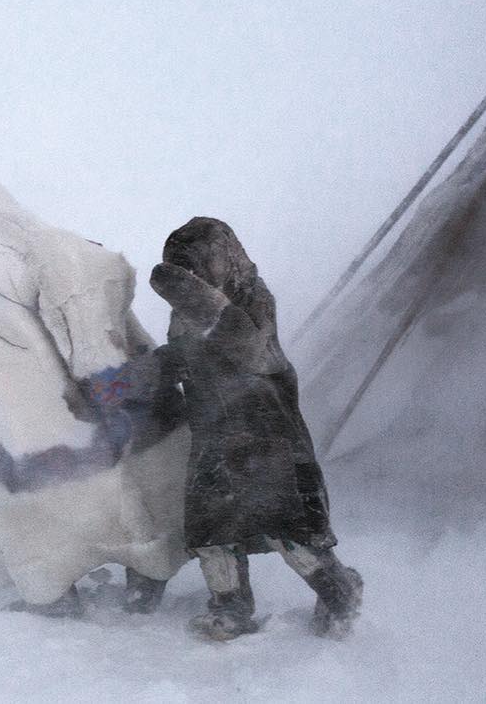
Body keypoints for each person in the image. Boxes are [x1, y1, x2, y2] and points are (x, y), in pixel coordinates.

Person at [0, 150, 190, 617]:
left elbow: (80, 297)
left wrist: (102, 375)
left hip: (68, 401)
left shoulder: (23, 246)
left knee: (122, 486)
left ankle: (147, 574)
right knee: (23, 506)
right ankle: (51, 589)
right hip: (10, 412)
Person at [150, 216, 362, 640]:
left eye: (195, 269)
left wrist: (191, 296)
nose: (190, 281)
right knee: (211, 529)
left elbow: (250, 348)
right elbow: (181, 357)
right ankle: (231, 608)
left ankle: (339, 591)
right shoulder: (186, 315)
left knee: (289, 528)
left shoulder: (254, 299)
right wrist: (124, 380)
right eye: (182, 272)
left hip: (266, 435)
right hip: (213, 435)